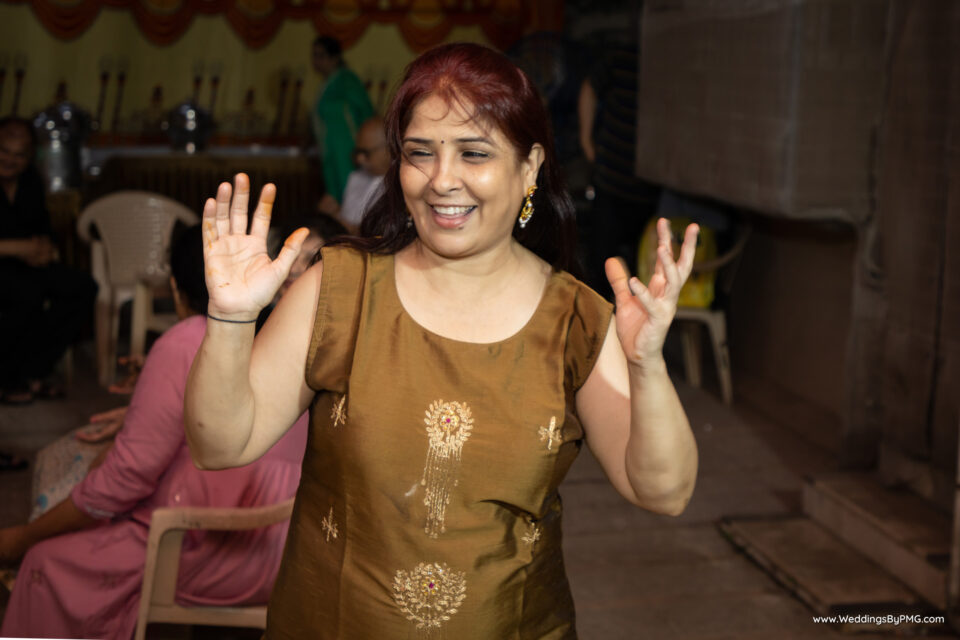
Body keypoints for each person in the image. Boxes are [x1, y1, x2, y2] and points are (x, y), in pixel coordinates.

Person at [185, 42, 699, 638]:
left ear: (529, 167)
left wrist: (647, 365)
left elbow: (663, 492)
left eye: (474, 153)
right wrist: (230, 319)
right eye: (420, 153)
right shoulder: (339, 291)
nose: (442, 180)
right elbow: (219, 445)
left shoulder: (575, 321)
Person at [0, 224, 309, 640]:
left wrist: (23, 538)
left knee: (45, 560)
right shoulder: (284, 337)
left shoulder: (186, 341)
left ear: (176, 290)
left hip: (206, 547)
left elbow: (125, 479)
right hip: (282, 547)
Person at [0, 116, 97, 405]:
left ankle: (35, 370)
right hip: (6, 265)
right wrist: (18, 248)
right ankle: (6, 378)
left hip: (26, 264)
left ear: (30, 156)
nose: (10, 160)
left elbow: (43, 227)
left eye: (19, 155)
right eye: (4, 151)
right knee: (24, 294)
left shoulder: (30, 181)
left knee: (81, 287)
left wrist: (44, 248)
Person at [578, 40, 661, 300]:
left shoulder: (675, 61)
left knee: (644, 273)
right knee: (601, 267)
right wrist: (586, 141)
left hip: (655, 190)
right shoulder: (626, 53)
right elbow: (590, 87)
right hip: (611, 181)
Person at [311, 35, 375, 210]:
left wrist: (365, 148)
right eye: (314, 55)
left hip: (348, 151)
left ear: (335, 58)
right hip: (330, 151)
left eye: (321, 56)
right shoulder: (326, 84)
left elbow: (367, 113)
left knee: (351, 197)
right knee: (335, 197)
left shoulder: (347, 80)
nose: (316, 61)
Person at [335, 116, 389, 231]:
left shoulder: (401, 186)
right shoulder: (356, 177)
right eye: (358, 152)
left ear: (388, 149)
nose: (360, 159)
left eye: (366, 153)